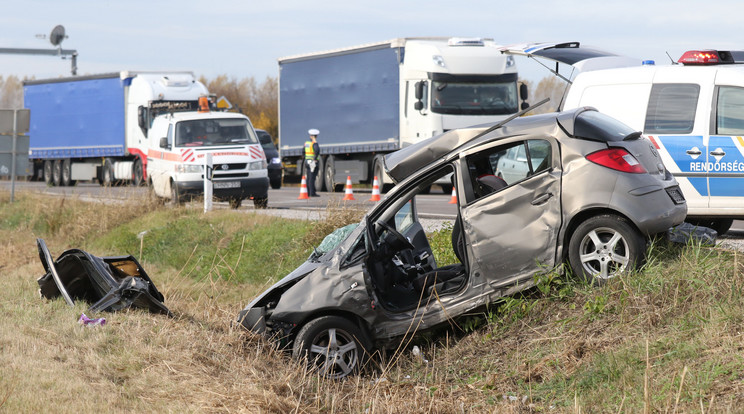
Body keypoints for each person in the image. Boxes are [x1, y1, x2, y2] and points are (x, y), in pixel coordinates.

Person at [304, 129, 321, 197]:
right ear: (316, 136)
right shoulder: (315, 144)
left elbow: (303, 151)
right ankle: (312, 193)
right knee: (312, 178)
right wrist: (314, 159)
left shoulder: (307, 143)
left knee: (308, 178)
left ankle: (308, 192)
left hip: (307, 161)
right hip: (312, 163)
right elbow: (317, 151)